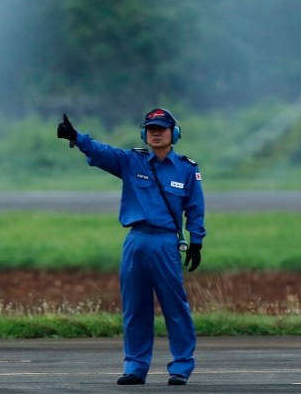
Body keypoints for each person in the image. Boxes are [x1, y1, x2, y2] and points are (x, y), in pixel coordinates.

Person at [57, 108, 205, 386]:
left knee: (175, 306)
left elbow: (195, 208)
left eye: (162, 128)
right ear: (144, 134)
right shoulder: (131, 161)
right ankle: (135, 367)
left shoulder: (187, 169)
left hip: (165, 242)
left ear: (175, 133)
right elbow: (102, 152)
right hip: (136, 241)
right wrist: (77, 137)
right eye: (151, 129)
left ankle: (181, 367)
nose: (156, 133)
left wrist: (196, 239)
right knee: (135, 307)